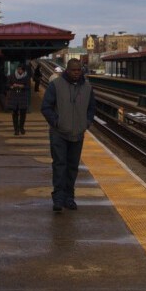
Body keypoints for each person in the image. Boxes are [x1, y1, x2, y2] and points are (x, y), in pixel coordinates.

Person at [41, 58, 96, 212]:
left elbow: (91, 108)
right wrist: (56, 122)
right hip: (59, 133)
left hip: (78, 133)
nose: (76, 73)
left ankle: (69, 198)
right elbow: (46, 107)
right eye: (73, 70)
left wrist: (86, 123)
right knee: (60, 165)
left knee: (72, 167)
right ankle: (58, 199)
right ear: (67, 70)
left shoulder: (87, 88)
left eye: (79, 70)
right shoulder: (56, 85)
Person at [6, 63, 30, 135]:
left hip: (23, 97)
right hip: (14, 96)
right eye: (18, 69)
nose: (19, 71)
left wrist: (23, 86)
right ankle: (16, 129)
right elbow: (7, 84)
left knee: (23, 113)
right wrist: (12, 86)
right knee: (14, 114)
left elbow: (28, 87)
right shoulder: (12, 76)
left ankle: (21, 127)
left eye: (21, 70)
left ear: (23, 70)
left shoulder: (26, 77)